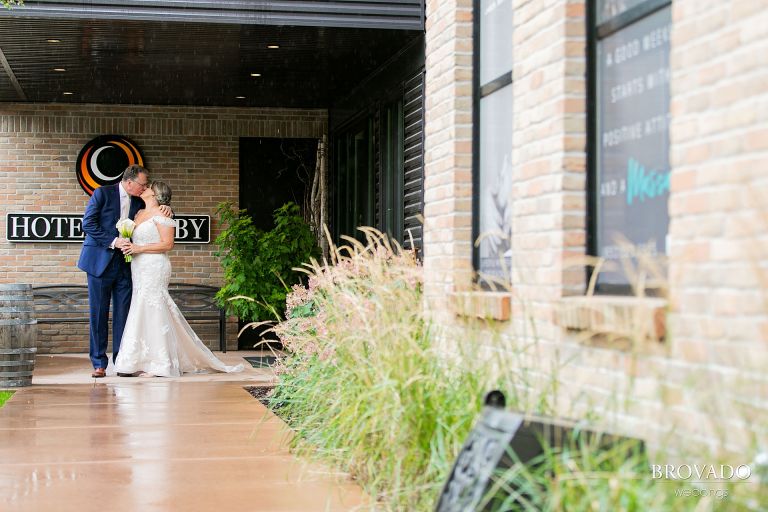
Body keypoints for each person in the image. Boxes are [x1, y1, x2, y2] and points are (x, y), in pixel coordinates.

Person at [114, 181, 243, 377]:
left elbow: (167, 244)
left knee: (155, 306)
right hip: (138, 267)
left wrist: (138, 248)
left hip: (155, 266)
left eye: (148, 187)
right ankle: (136, 360)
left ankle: (160, 362)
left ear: (155, 194)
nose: (144, 188)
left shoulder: (164, 215)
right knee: (140, 306)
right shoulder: (138, 213)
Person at [78, 164, 171, 378]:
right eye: (142, 184)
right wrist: (113, 241)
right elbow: (88, 224)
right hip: (99, 263)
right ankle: (99, 363)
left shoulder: (139, 201)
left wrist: (168, 209)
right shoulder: (102, 193)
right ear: (129, 182)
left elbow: (156, 212)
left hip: (127, 266)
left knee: (124, 314)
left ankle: (122, 362)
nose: (145, 187)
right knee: (99, 314)